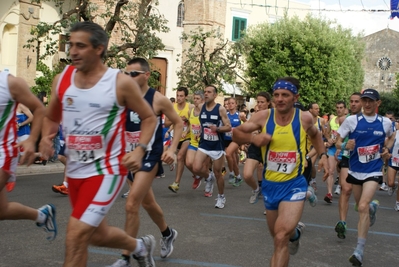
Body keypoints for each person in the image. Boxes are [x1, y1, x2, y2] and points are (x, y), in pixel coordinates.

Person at [39, 21, 158, 267]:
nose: (72, 51)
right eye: (71, 44)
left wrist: (140, 149)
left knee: (75, 235)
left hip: (106, 170)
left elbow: (149, 118)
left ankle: (138, 246)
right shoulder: (62, 80)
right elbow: (51, 116)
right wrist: (45, 138)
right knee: (94, 236)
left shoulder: (119, 82)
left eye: (80, 46)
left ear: (99, 49)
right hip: (75, 171)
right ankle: (139, 246)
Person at [233, 77, 328, 267]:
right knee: (280, 237)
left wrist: (323, 155)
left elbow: (316, 135)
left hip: (294, 184)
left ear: (295, 97)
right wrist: (254, 138)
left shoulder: (304, 118)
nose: (280, 99)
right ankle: (296, 234)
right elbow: (236, 133)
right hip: (270, 185)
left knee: (280, 237)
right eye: (276, 95)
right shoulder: (263, 117)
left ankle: (290, 234)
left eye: (285, 95)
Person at [108, 57, 183, 267]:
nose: (128, 78)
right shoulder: (122, 97)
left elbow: (178, 123)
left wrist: (172, 149)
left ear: (147, 75)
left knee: (131, 204)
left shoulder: (158, 99)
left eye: (133, 74)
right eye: (126, 73)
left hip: (149, 156)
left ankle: (126, 256)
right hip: (129, 158)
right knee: (148, 203)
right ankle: (168, 233)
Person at [336, 89, 394, 266]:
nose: (367, 104)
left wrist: (386, 150)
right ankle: (372, 209)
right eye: (364, 100)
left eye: (371, 101)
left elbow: (391, 137)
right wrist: (346, 144)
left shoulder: (385, 122)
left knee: (361, 205)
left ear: (378, 103)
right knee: (361, 207)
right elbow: (337, 141)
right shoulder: (352, 120)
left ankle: (359, 250)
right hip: (355, 170)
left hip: (374, 170)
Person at [0, 71, 57, 243]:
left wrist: (32, 140)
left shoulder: (10, 84)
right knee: (2, 210)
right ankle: (42, 215)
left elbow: (40, 108)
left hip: (4, 152)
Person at [192, 85, 231, 207]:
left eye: (209, 92)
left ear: (215, 95)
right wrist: (200, 131)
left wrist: (217, 128)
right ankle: (209, 177)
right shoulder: (201, 107)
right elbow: (202, 123)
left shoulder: (220, 109)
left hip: (217, 145)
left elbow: (228, 127)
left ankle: (221, 197)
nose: (206, 94)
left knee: (218, 172)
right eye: (205, 91)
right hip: (204, 143)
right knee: (196, 167)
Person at [333, 92, 362, 239]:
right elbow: (338, 141)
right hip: (348, 157)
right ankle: (342, 222)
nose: (354, 104)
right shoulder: (348, 120)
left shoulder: (375, 120)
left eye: (357, 101)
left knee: (360, 198)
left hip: (364, 161)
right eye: (351, 101)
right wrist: (344, 145)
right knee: (346, 189)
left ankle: (365, 208)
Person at [168, 87, 194, 193]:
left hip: (187, 137)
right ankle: (198, 175)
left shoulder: (190, 107)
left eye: (181, 96)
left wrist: (187, 121)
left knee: (179, 157)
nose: (178, 98)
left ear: (186, 97)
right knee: (185, 162)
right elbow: (170, 122)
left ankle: (176, 183)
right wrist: (169, 130)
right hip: (176, 138)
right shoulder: (172, 107)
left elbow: (194, 122)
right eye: (177, 95)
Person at [324, 101, 346, 203]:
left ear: (345, 109)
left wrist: (340, 142)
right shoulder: (332, 121)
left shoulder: (348, 120)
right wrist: (329, 139)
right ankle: (329, 193)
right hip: (333, 148)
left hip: (343, 149)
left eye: (341, 107)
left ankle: (340, 187)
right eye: (337, 107)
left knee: (341, 172)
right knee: (331, 170)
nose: (339, 109)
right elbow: (327, 133)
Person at [184, 91, 205, 189]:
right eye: (194, 98)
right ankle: (197, 176)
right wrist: (186, 131)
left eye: (198, 99)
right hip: (193, 142)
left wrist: (201, 132)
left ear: (202, 100)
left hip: (203, 143)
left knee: (201, 166)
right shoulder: (191, 111)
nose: (195, 100)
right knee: (188, 163)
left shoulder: (205, 112)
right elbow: (190, 123)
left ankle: (209, 178)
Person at [306, 102, 327, 192]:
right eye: (316, 109)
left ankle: (312, 181)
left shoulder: (321, 120)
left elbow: (325, 132)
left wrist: (326, 140)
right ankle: (308, 181)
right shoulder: (305, 120)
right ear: (310, 110)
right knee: (306, 164)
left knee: (310, 163)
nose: (318, 110)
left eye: (318, 109)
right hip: (306, 145)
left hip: (315, 146)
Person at [224, 97, 242, 186]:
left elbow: (245, 126)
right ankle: (237, 176)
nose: (230, 105)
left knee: (229, 155)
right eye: (229, 103)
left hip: (235, 139)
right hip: (226, 139)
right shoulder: (225, 115)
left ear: (236, 104)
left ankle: (232, 174)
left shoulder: (239, 115)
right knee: (231, 158)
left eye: (232, 103)